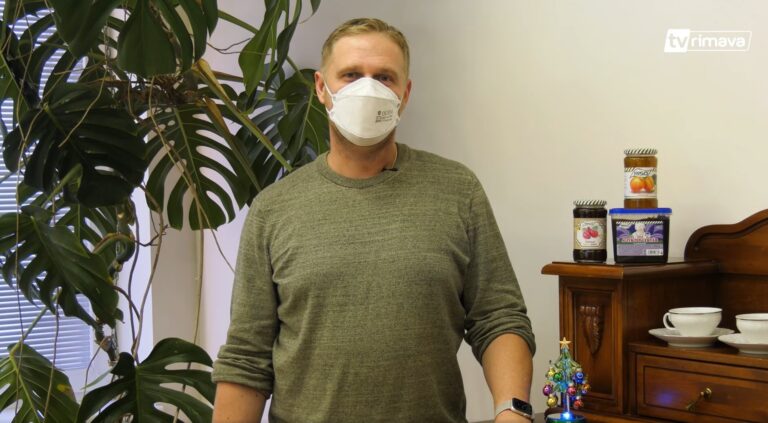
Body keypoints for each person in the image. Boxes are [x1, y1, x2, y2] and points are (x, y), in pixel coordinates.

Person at [212, 18, 536, 423]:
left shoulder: (457, 190)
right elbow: (247, 357)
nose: (368, 89)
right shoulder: (273, 209)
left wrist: (512, 410)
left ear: (405, 94)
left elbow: (498, 316)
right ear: (321, 88)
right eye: (351, 75)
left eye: (384, 77)